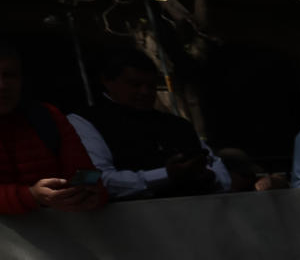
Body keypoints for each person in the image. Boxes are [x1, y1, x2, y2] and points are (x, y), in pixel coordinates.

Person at [69, 47, 231, 199]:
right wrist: (165, 175)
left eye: (151, 86)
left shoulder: (177, 125)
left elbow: (216, 166)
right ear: (107, 81)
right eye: (135, 85)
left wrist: (210, 177)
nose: (145, 92)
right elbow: (92, 178)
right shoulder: (84, 122)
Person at [0, 39, 106, 216]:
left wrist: (91, 194)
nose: (2, 86)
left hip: (62, 236)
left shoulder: (47, 116)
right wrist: (30, 196)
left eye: (9, 75)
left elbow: (86, 172)